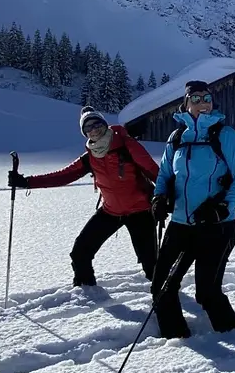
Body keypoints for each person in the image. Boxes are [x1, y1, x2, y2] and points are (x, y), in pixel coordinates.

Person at [9, 107, 161, 287]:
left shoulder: (126, 145)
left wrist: (166, 198)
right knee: (80, 252)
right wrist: (27, 182)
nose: (94, 129)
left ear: (105, 124)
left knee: (150, 261)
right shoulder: (90, 156)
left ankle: (163, 296)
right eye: (88, 127)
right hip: (110, 211)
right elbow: (63, 175)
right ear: (84, 133)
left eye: (97, 124)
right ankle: (87, 290)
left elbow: (154, 172)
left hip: (140, 211)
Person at [148, 80, 235, 338]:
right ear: (186, 104)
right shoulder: (176, 139)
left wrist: (222, 207)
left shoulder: (226, 136)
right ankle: (177, 340)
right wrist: (159, 198)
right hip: (180, 225)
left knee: (207, 292)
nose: (203, 103)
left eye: (207, 98)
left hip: (216, 227)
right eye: (196, 98)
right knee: (161, 286)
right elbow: (163, 175)